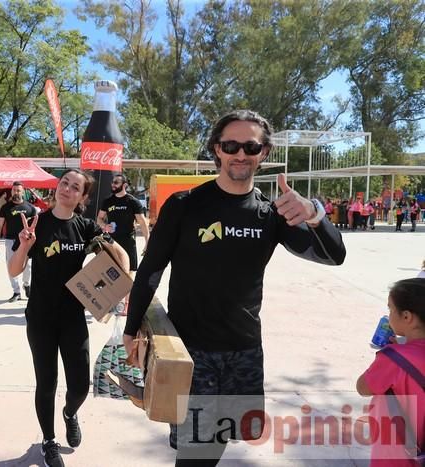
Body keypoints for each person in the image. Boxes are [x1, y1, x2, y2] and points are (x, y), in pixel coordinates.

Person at [122, 110, 346, 467]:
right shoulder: (184, 205)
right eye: (231, 145)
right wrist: (131, 329)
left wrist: (315, 214)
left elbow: (333, 256)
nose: (241, 154)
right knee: (195, 447)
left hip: (244, 351)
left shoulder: (271, 214)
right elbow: (151, 269)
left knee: (223, 435)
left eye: (251, 146)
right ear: (217, 149)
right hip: (191, 353)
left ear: (264, 153)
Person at [8, 169, 129, 467]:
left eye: (75, 187)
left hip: (74, 317)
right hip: (40, 318)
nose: (67, 189)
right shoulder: (38, 222)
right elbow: (13, 270)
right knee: (46, 383)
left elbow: (121, 254)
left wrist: (121, 286)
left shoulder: (85, 226)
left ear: (82, 197)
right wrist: (25, 243)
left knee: (79, 387)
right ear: (57, 187)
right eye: (64, 183)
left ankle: (70, 413)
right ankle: (49, 440)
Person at [356, 278, 425, 467]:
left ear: (406, 317)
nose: (388, 314)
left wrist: (389, 356)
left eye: (390, 309)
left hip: (396, 453)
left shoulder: (393, 358)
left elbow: (363, 387)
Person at [97, 172, 150, 313]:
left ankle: (127, 304)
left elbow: (142, 223)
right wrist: (103, 226)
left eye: (116, 183)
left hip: (128, 242)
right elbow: (99, 219)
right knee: (110, 272)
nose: (112, 185)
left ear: (124, 185)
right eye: (112, 182)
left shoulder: (132, 202)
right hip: (111, 242)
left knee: (129, 273)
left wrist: (147, 241)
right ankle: (111, 302)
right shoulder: (107, 201)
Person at [0, 181, 37, 302]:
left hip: (26, 242)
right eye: (13, 190)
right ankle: (16, 291)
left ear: (23, 192)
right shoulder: (5, 208)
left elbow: (35, 227)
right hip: (10, 241)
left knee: (27, 266)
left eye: (18, 190)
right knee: (10, 266)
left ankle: (26, 285)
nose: (15, 192)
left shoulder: (30, 208)